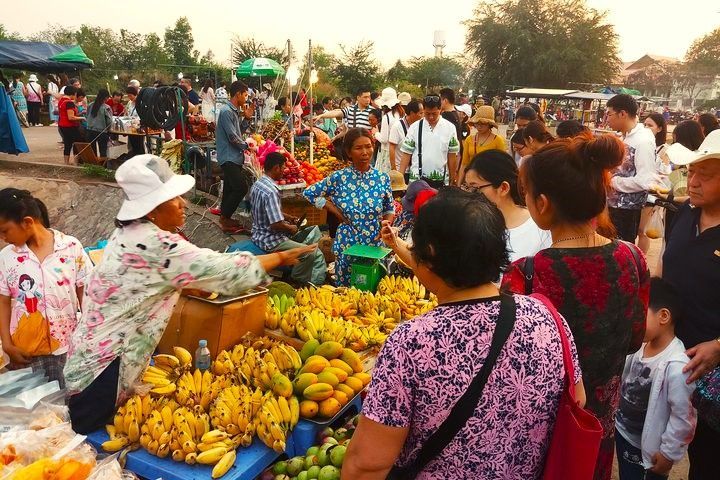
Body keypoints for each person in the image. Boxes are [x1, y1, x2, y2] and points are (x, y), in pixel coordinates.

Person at [343, 189, 584, 479]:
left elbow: (367, 464)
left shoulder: (411, 341)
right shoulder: (547, 316)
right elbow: (577, 401)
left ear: (428, 254)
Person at [63, 154, 312, 433]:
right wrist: (280, 258)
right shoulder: (154, 243)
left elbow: (162, 281)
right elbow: (222, 268)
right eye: (174, 199)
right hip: (103, 373)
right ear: (152, 209)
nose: (183, 204)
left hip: (89, 361)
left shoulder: (130, 234)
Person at [502, 134, 650, 480]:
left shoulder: (527, 273)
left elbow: (511, 366)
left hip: (542, 435)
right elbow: (634, 338)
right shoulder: (632, 257)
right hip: (595, 430)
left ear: (542, 203)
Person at [662, 130, 720, 480]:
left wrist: (718, 347)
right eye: (692, 172)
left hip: (713, 372)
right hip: (678, 361)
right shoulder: (686, 212)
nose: (693, 182)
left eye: (707, 176)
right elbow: (668, 266)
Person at [0, 189, 91, 389]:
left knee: (67, 403)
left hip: (67, 347)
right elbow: (4, 302)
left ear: (27, 222)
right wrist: (7, 344)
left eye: (5, 230)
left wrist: (88, 339)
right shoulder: (7, 257)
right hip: (25, 351)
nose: (2, 237)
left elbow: (87, 296)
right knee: (34, 412)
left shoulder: (71, 248)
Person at [615, 277, 696, 480]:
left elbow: (683, 417)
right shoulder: (639, 346)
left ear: (663, 316)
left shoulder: (677, 366)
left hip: (649, 452)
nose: (633, 320)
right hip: (623, 434)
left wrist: (669, 453)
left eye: (639, 314)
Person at [304, 128, 395, 286]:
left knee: (373, 292)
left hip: (373, 245)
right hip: (347, 244)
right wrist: (334, 210)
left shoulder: (382, 178)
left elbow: (389, 208)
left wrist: (386, 225)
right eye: (358, 148)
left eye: (368, 146)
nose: (365, 152)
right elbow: (309, 193)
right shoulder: (339, 178)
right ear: (348, 151)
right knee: (346, 296)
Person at [250, 152, 327, 285]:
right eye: (283, 167)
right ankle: (296, 281)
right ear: (276, 168)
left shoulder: (259, 184)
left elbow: (269, 211)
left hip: (258, 234)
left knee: (302, 243)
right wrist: (291, 228)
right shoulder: (271, 191)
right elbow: (276, 224)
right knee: (311, 252)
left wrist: (289, 217)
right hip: (270, 240)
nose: (284, 171)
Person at [464, 150, 550, 262]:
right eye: (466, 188)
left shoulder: (538, 229)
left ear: (503, 188)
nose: (469, 195)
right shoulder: (471, 225)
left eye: (475, 188)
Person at [605, 94, 658, 243]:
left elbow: (645, 180)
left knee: (620, 251)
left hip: (625, 211)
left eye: (609, 114)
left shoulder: (643, 141)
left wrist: (613, 181)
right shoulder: (626, 137)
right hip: (613, 206)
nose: (607, 119)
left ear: (623, 114)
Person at [216, 81, 255, 234]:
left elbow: (238, 132)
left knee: (229, 188)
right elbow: (233, 137)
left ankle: (226, 218)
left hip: (235, 156)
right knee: (241, 187)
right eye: (245, 95)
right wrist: (248, 146)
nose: (246, 99)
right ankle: (224, 218)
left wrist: (247, 119)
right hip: (229, 156)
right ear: (238, 94)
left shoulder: (233, 112)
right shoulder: (226, 111)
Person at [399, 95, 460, 187]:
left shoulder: (450, 128)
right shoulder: (415, 127)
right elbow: (406, 154)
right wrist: (400, 177)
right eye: (427, 113)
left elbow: (452, 155)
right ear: (423, 110)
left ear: (440, 110)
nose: (431, 117)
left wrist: (453, 178)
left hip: (442, 182)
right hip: (417, 181)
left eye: (434, 113)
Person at [637, 113, 671, 254]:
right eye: (644, 124)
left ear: (660, 128)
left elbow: (665, 172)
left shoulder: (664, 149)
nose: (646, 127)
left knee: (642, 231)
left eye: (650, 125)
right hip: (639, 190)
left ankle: (641, 262)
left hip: (652, 194)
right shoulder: (642, 144)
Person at [460, 106, 506, 184]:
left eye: (483, 124)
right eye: (477, 123)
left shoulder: (498, 141)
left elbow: (502, 165)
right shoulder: (469, 139)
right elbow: (464, 164)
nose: (479, 126)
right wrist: (458, 184)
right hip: (472, 182)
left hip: (489, 182)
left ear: (489, 124)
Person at [389, 100, 423, 172]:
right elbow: (392, 147)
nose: (423, 116)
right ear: (412, 113)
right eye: (421, 113)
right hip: (400, 169)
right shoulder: (397, 126)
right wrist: (394, 168)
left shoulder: (420, 126)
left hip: (415, 169)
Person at [58, 85, 85, 165]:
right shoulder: (69, 103)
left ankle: (66, 162)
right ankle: (76, 161)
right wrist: (82, 118)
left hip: (62, 125)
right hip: (69, 126)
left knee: (67, 143)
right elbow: (71, 117)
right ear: (73, 94)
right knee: (78, 142)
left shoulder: (61, 100)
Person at [86, 89, 113, 162]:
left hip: (89, 130)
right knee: (103, 151)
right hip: (102, 132)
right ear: (106, 97)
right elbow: (110, 121)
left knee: (92, 151)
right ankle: (103, 167)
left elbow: (87, 116)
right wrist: (109, 129)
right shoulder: (106, 107)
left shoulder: (90, 105)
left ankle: (93, 165)